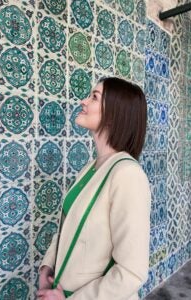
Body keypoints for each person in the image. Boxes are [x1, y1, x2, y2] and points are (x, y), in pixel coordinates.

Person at [37, 77, 151, 300]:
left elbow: (131, 272)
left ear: (115, 113)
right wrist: (47, 267)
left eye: (94, 97)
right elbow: (68, 226)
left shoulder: (127, 175)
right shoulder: (91, 167)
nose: (83, 101)